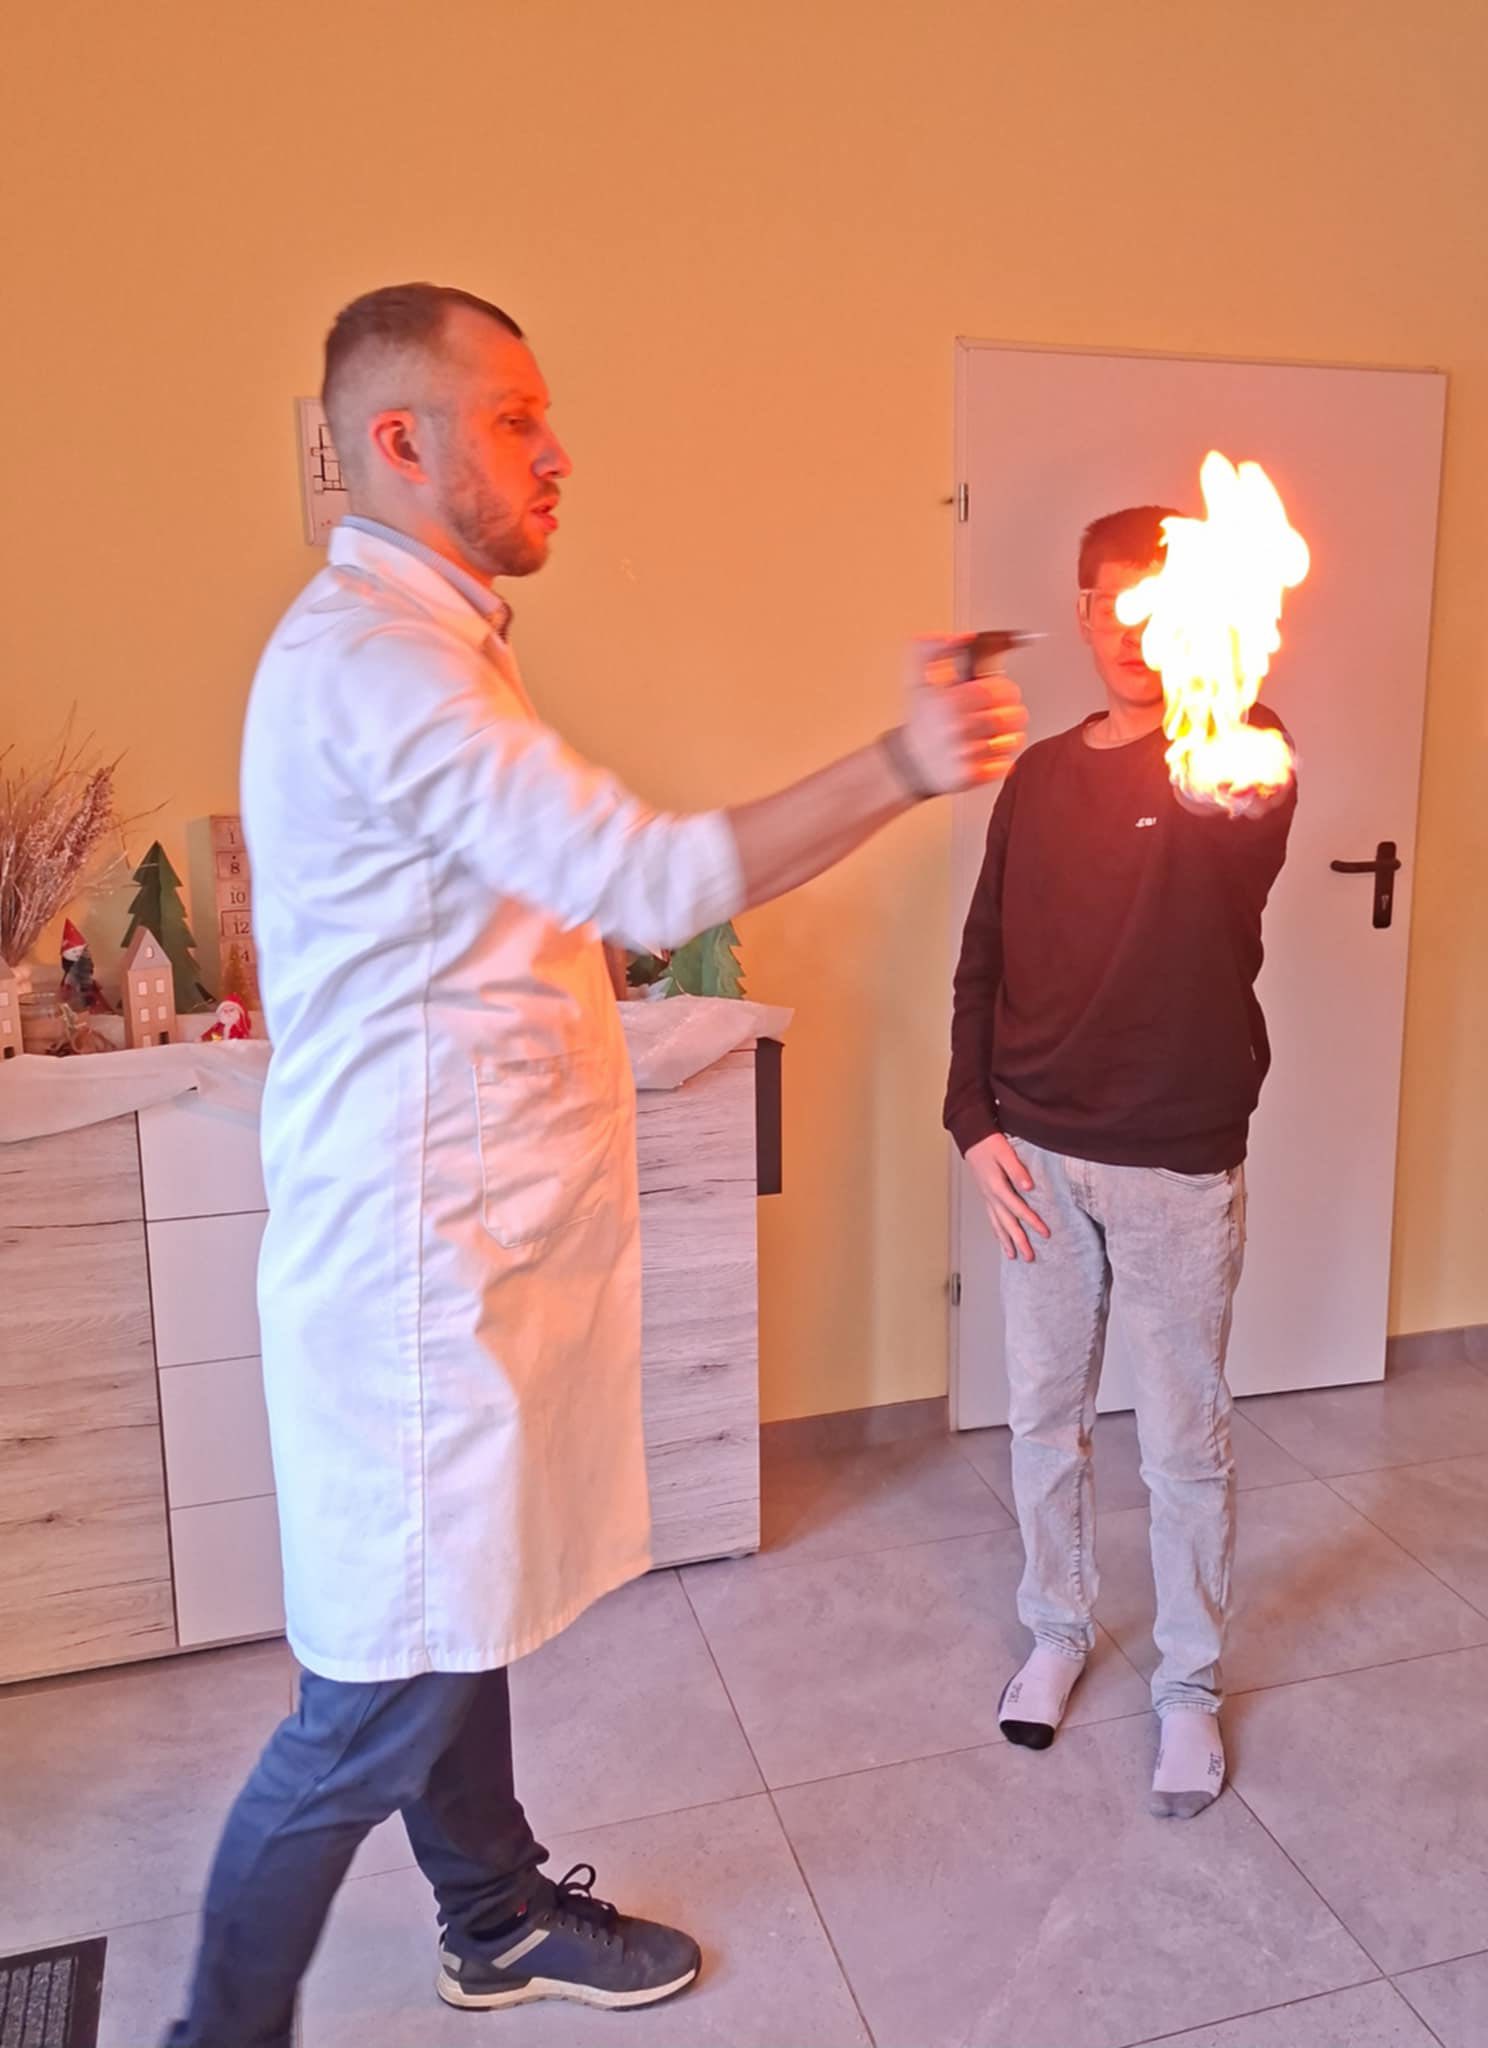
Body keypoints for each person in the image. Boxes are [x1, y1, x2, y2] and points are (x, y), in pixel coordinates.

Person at [166, 282, 1025, 2048]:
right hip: (414, 1277)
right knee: (368, 1714)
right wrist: (904, 765)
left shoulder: (428, 641)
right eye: (512, 417)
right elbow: (650, 880)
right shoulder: (380, 666)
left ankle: (490, 1921)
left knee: (450, 1630)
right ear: (398, 441)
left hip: (448, 1254)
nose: (557, 451)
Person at [943, 504, 1295, 1820]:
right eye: (1110, 599)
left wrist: (1219, 717)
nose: (1132, 625)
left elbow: (1241, 819)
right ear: (1086, 611)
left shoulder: (1235, 748)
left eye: (1160, 598)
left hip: (1174, 1167)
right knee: (1045, 1421)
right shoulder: (1039, 777)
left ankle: (1188, 1685)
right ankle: (1057, 1627)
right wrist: (973, 1120)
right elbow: (982, 956)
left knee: (1183, 1445)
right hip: (1034, 1156)